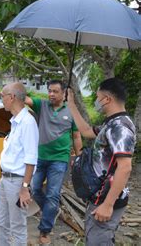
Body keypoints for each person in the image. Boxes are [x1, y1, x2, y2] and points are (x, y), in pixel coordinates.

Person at [67, 78, 136, 245]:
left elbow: (125, 167)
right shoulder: (111, 123)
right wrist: (71, 103)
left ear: (107, 99)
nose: (97, 102)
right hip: (99, 195)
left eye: (98, 98)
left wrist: (108, 204)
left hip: (107, 198)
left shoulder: (120, 127)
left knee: (99, 240)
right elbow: (86, 131)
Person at [25, 80, 82, 244]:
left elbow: (77, 136)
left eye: (55, 91)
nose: (51, 94)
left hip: (59, 160)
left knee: (52, 194)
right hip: (40, 157)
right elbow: (25, 99)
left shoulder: (71, 111)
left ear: (64, 93)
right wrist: (11, 93)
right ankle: (51, 210)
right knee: (35, 189)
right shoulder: (41, 105)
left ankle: (45, 231)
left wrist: (78, 159)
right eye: (49, 91)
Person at [0, 82, 39, 246]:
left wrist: (25, 187)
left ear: (12, 97)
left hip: (17, 181)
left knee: (17, 226)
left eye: (2, 96)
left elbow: (31, 159)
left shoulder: (27, 123)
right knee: (1, 222)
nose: (1, 100)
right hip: (5, 179)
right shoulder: (15, 122)